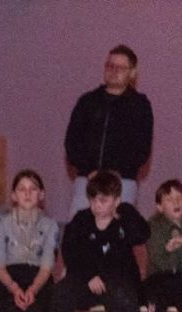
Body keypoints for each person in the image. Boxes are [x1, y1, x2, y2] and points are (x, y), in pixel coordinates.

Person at [47, 171, 149, 312]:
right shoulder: (81, 220)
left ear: (116, 200)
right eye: (93, 200)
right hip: (86, 280)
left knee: (125, 296)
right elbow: (70, 251)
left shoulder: (124, 219)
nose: (97, 205)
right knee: (62, 291)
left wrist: (126, 212)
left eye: (103, 200)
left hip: (117, 282)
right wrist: (89, 276)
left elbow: (142, 235)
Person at [65, 44, 154, 214]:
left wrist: (114, 173)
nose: (113, 71)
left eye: (120, 67)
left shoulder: (140, 106)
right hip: (87, 180)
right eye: (110, 66)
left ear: (132, 73)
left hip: (123, 182)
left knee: (121, 228)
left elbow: (142, 148)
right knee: (79, 228)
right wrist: (90, 171)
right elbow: (72, 142)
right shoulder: (87, 102)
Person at [0, 170, 58, 312]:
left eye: (33, 189)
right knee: (3, 293)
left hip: (38, 275)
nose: (27, 194)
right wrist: (14, 288)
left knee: (44, 295)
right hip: (8, 274)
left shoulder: (51, 226)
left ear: (41, 194)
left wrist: (33, 289)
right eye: (21, 189)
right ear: (13, 195)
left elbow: (47, 266)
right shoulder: (1, 224)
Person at [145, 179, 182, 312]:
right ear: (159, 207)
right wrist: (169, 250)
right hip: (158, 277)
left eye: (179, 197)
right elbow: (157, 259)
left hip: (179, 277)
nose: (176, 202)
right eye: (169, 199)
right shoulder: (153, 225)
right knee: (154, 299)